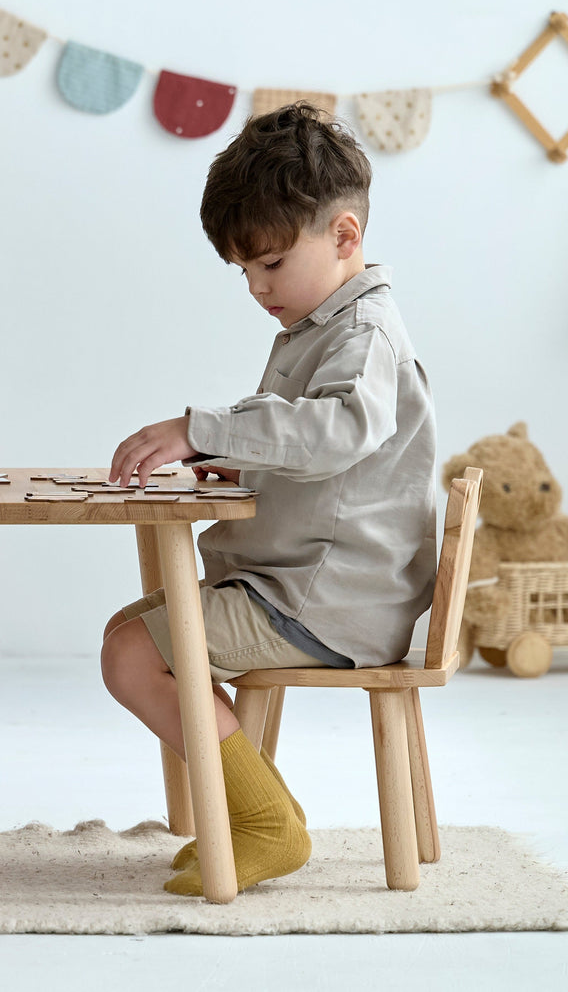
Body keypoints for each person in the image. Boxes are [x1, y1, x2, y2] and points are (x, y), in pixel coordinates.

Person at [101, 103, 437, 897]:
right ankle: (262, 809)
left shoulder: (363, 335)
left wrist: (199, 427)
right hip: (311, 581)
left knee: (133, 652)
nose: (255, 287)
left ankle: (264, 824)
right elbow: (318, 459)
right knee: (131, 630)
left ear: (344, 236)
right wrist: (231, 463)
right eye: (243, 271)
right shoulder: (320, 324)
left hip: (328, 598)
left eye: (271, 264)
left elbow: (339, 432)